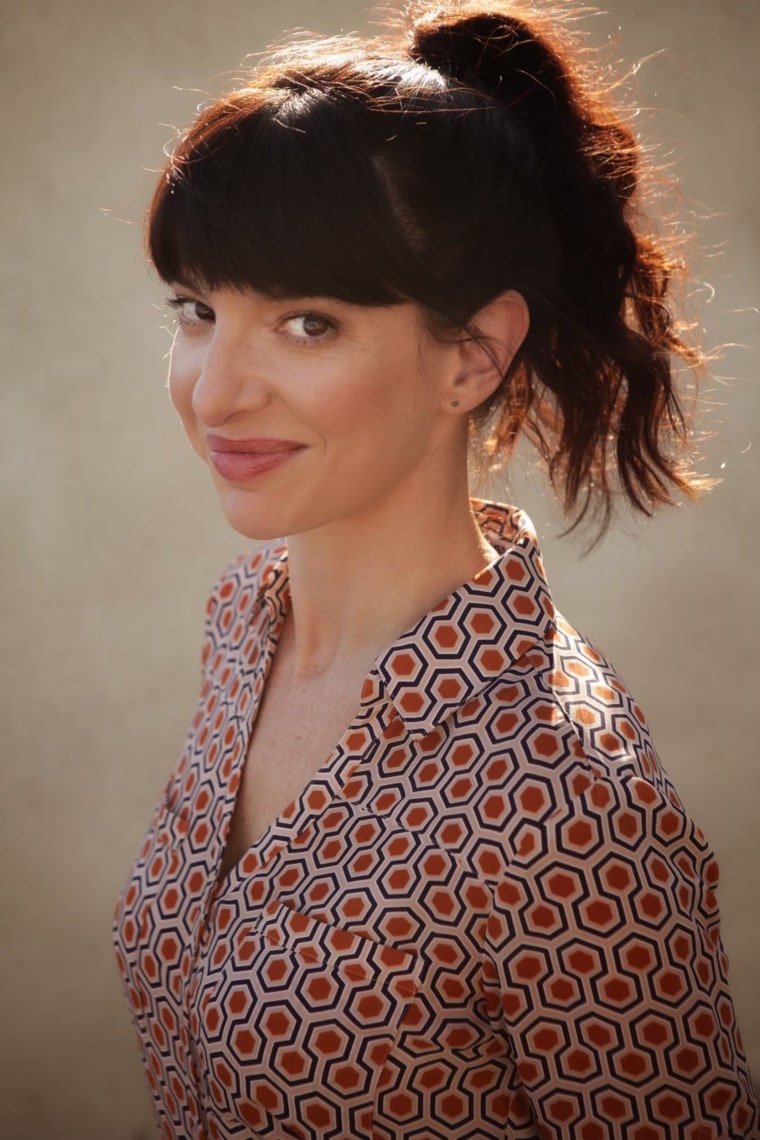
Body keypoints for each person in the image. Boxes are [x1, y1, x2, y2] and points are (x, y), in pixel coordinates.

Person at [113, 2, 758, 1137]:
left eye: (308, 323)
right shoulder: (245, 632)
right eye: (200, 309)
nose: (215, 391)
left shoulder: (563, 798)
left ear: (473, 356)